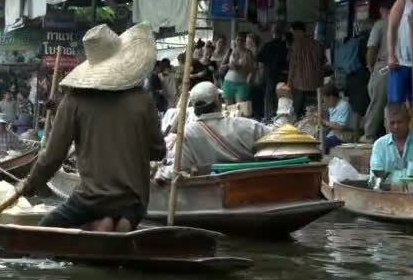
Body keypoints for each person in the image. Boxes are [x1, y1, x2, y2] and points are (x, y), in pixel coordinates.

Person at [16, 23, 166, 232]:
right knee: (112, 219)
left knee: (44, 231)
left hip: (91, 200)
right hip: (133, 201)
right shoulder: (143, 99)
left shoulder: (73, 100)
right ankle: (114, 222)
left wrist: (29, 184)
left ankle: (102, 223)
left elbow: (52, 156)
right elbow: (158, 151)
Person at [158, 82, 269, 181]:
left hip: (212, 194)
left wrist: (160, 171)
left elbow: (178, 169)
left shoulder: (188, 133)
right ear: (218, 102)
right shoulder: (247, 126)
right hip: (252, 184)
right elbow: (279, 137)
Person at [360, 1, 392, 143]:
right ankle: (392, 135)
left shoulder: (381, 24)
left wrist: (371, 67)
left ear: (383, 9)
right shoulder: (407, 22)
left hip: (384, 66)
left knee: (377, 101)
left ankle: (369, 135)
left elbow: (372, 48)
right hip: (403, 66)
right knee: (394, 103)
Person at [370, 103, 413, 181]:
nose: (396, 126)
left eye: (400, 122)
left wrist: (390, 176)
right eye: (392, 123)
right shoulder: (379, 145)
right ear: (385, 123)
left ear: (408, 120)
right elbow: (375, 177)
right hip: (387, 192)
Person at [288, 21, 325, 118]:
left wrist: (289, 83)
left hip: (300, 85)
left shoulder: (295, 45)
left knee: (297, 113)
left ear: (299, 31)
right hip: (316, 85)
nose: (293, 36)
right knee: (314, 112)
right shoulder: (318, 45)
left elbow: (292, 66)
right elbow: (324, 63)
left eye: (294, 33)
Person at [258, 23, 289, 121]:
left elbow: (260, 58)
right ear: (282, 33)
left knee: (269, 96)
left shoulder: (268, 45)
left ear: (273, 32)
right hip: (283, 75)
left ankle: (268, 118)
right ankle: (280, 117)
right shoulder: (285, 46)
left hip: (270, 74)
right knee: (281, 96)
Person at [317, 83, 356, 151]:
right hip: (334, 134)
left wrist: (323, 121)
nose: (325, 102)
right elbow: (328, 123)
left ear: (331, 98)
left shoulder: (344, 106)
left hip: (344, 137)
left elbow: (340, 126)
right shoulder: (332, 106)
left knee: (321, 145)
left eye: (325, 100)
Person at [223, 32, 255, 106]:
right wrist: (228, 66)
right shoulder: (231, 50)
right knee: (229, 107)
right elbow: (222, 66)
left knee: (240, 108)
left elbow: (251, 69)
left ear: (245, 42)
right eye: (238, 40)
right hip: (228, 81)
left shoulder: (248, 53)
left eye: (242, 40)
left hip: (241, 83)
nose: (239, 42)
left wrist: (239, 67)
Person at [247, 32, 265, 120]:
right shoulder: (251, 50)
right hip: (253, 77)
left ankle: (256, 116)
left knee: (255, 97)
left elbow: (255, 66)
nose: (246, 42)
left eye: (248, 41)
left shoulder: (254, 51)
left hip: (255, 77)